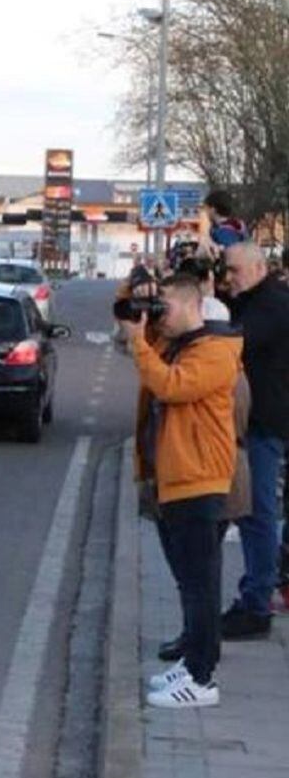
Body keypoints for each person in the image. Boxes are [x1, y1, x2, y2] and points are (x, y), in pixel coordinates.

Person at [123, 274, 242, 707]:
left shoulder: (215, 351)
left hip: (199, 480)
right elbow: (133, 324)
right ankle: (191, 661)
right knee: (189, 582)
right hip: (175, 479)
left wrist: (139, 343)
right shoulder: (181, 345)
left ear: (194, 307)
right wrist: (140, 295)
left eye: (165, 309)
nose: (160, 318)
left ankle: (202, 678)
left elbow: (172, 386)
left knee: (201, 584)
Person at [220, 241, 289, 638]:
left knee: (257, 511)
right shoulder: (254, 300)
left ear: (259, 267)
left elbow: (234, 345)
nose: (230, 278)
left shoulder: (272, 305)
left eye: (235, 271)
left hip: (265, 423)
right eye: (227, 271)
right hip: (260, 420)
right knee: (255, 511)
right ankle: (257, 594)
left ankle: (256, 603)